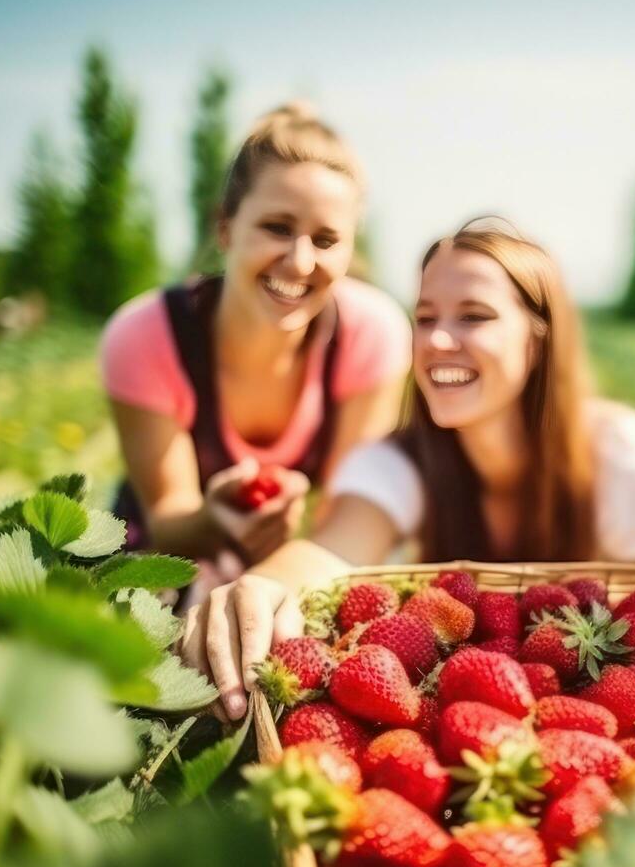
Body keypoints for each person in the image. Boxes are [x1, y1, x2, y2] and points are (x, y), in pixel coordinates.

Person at [180, 222, 635, 720]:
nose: (435, 341)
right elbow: (333, 552)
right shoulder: (396, 464)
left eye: (474, 316)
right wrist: (265, 585)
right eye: (426, 317)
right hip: (460, 719)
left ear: (539, 337)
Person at [100, 103, 410, 596]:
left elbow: (346, 517)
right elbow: (167, 521)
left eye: (327, 239)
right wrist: (214, 519)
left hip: (277, 565)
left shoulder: (371, 334)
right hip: (160, 561)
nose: (300, 261)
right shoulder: (147, 335)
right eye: (278, 228)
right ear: (225, 228)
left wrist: (269, 584)